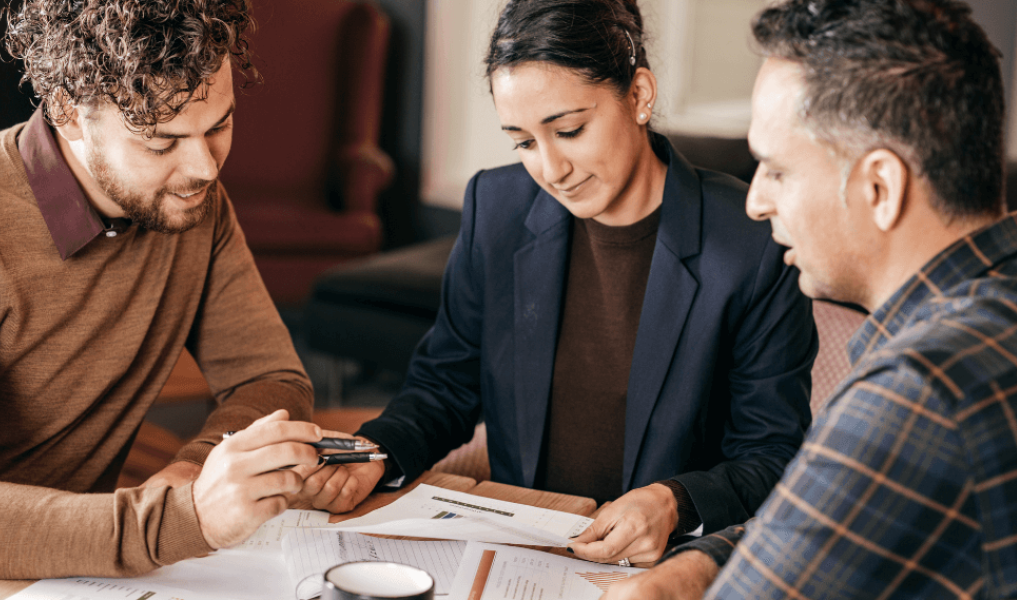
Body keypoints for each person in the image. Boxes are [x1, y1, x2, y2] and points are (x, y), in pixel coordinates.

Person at [604, 0, 1017, 598]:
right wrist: (704, 561)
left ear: (881, 187)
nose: (757, 202)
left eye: (777, 171)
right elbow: (837, 518)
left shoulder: (921, 390)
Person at [0, 1, 331, 598]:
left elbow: (271, 378)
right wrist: (185, 515)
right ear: (68, 112)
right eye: (161, 143)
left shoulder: (192, 204)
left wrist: (197, 470)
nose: (202, 168)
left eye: (218, 126)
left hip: (52, 570)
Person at [294, 0, 817, 568]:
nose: (550, 169)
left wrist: (675, 501)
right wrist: (378, 451)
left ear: (639, 95)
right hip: (525, 551)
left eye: (569, 130)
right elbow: (444, 385)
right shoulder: (495, 206)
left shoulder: (750, 241)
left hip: (668, 565)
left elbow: (771, 453)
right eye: (522, 141)